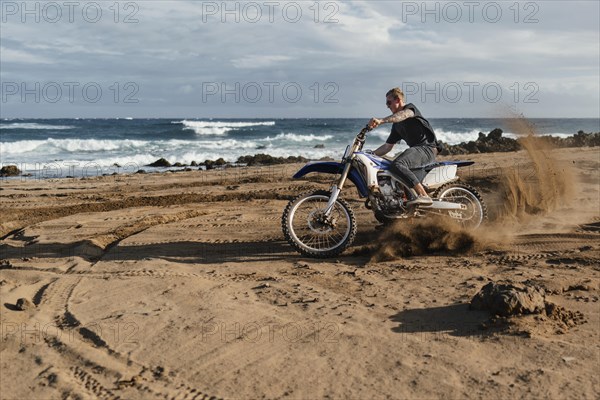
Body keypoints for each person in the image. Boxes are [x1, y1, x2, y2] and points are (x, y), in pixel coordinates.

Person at [368, 87, 439, 206]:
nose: (387, 106)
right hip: (416, 151)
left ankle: (423, 196)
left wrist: (381, 120)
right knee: (395, 175)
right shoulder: (397, 126)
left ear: (398, 100)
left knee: (398, 164)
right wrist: (370, 154)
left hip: (427, 149)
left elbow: (402, 115)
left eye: (388, 102)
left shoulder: (410, 109)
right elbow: (387, 147)